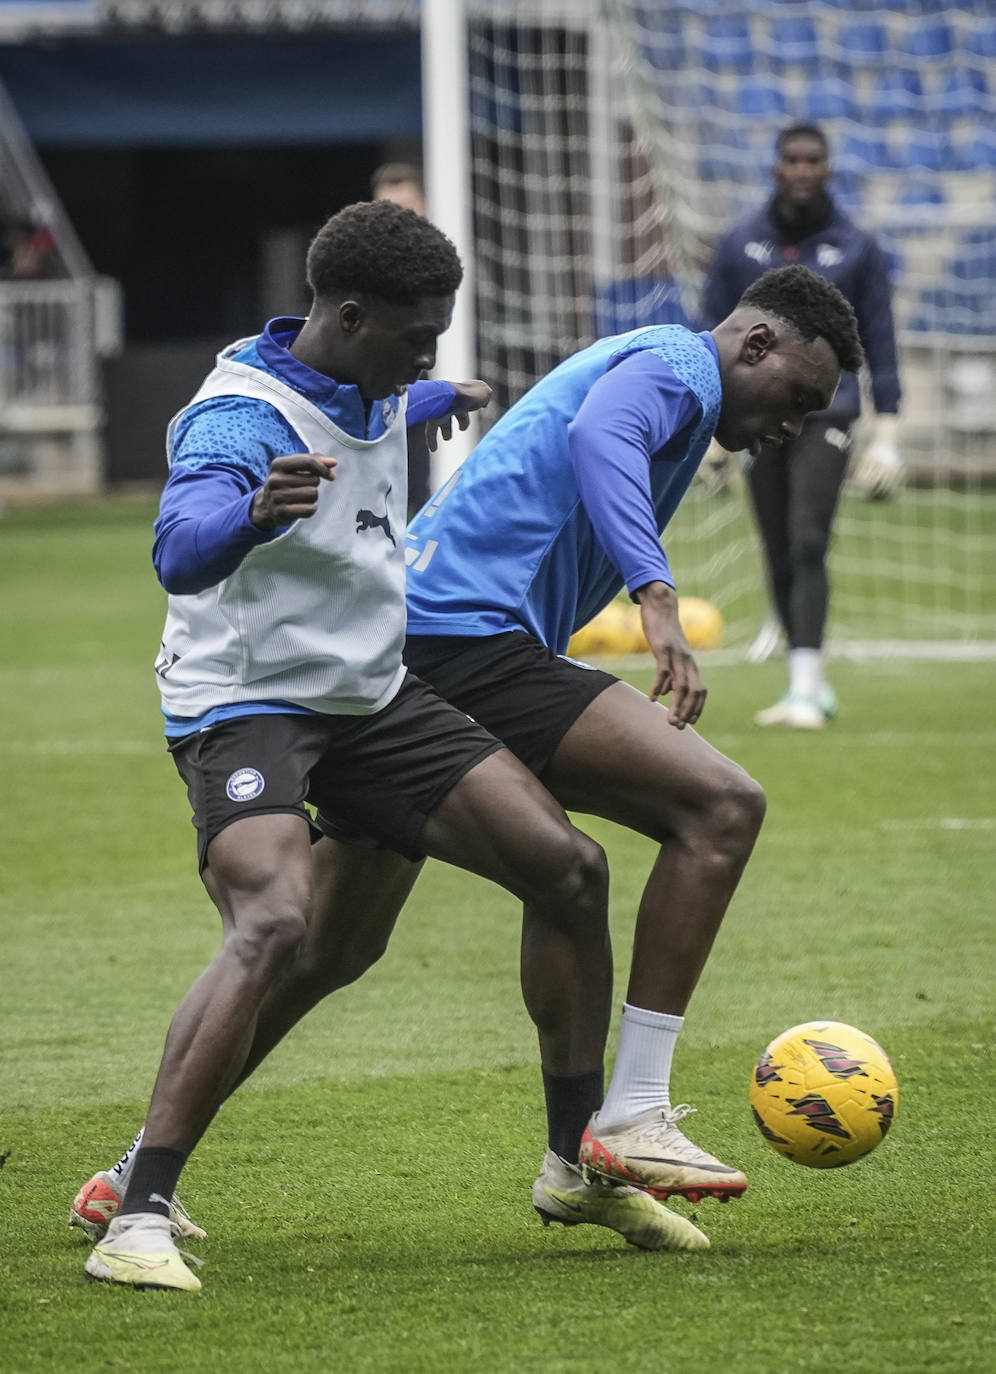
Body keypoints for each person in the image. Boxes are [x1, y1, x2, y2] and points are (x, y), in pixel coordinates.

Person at [76, 199, 710, 1294]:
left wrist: (432, 396)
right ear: (351, 314)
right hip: (247, 703)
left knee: (568, 868)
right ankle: (137, 1214)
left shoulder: (371, 379)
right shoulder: (238, 420)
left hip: (371, 701)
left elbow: (373, 399)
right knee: (278, 921)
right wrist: (250, 517)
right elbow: (179, 552)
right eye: (419, 337)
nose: (432, 351)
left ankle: (576, 1167)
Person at [700, 122, 902, 730]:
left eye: (813, 159)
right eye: (792, 158)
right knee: (778, 545)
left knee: (808, 536)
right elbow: (709, 333)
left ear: (828, 168)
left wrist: (888, 431)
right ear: (776, 166)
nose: (803, 169)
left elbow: (881, 339)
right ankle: (801, 677)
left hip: (828, 412)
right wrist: (708, 427)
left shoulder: (858, 248)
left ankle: (808, 688)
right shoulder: (739, 245)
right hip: (756, 416)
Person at [371, 162, 434, 517]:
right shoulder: (356, 267)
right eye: (388, 210)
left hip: (424, 383)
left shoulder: (445, 262)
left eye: (406, 208)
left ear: (423, 207)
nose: (397, 220)